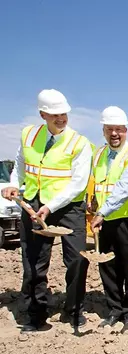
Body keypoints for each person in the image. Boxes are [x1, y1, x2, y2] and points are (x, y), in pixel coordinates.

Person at [1, 89, 91, 332]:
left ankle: (73, 311)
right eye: (55, 115)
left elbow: (78, 184)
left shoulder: (79, 143)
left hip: (68, 208)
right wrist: (12, 184)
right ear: (42, 114)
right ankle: (36, 314)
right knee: (33, 261)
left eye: (64, 113)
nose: (61, 118)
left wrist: (50, 206)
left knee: (76, 261)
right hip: (34, 204)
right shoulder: (28, 135)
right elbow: (20, 165)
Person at [89, 106, 128, 328]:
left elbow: (124, 188)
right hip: (103, 220)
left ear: (126, 130)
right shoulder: (98, 154)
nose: (114, 134)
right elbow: (93, 182)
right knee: (107, 267)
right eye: (110, 129)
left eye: (119, 129)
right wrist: (92, 202)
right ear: (103, 130)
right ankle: (114, 309)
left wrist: (102, 211)